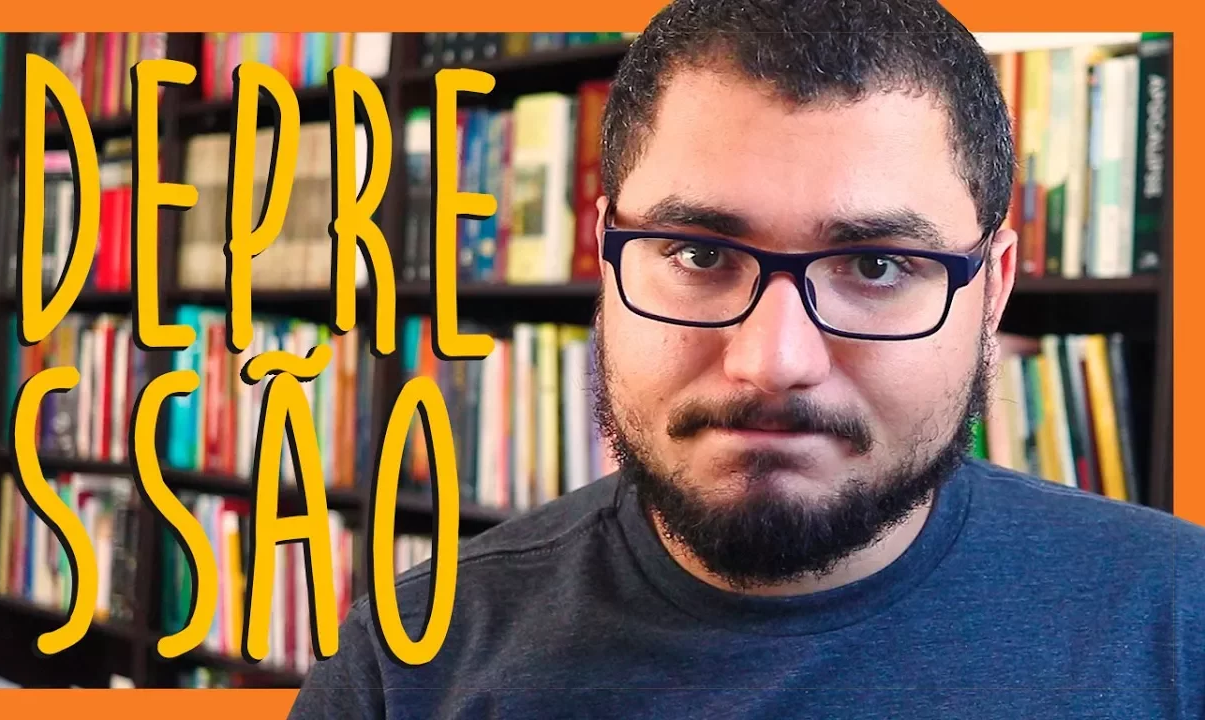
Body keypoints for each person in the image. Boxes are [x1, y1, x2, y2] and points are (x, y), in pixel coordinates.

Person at [289, 1, 1203, 717]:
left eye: (876, 266)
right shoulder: (407, 663)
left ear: (992, 290)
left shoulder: (1182, 622)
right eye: (698, 254)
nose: (772, 362)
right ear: (605, 255)